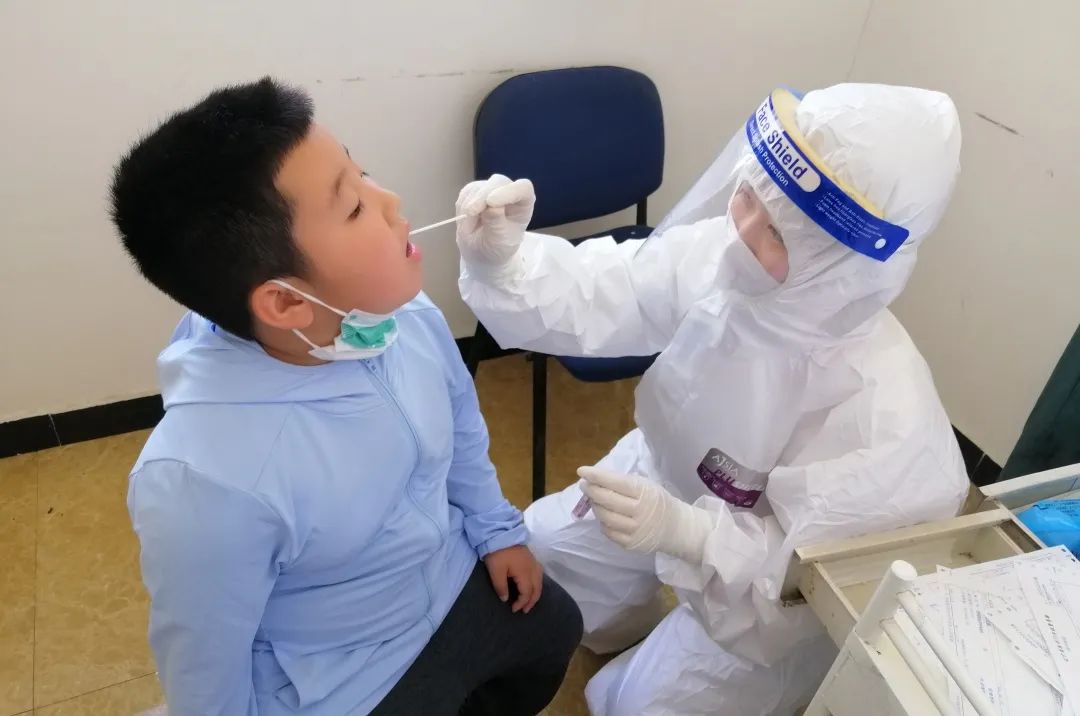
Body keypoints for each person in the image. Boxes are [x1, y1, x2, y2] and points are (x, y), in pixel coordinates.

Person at [454, 83, 969, 715]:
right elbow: (618, 287)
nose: (743, 232)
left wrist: (692, 536)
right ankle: (622, 625)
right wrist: (507, 264)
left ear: (848, 263)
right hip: (660, 476)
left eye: (778, 233)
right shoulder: (732, 256)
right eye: (750, 195)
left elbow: (805, 581)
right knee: (544, 552)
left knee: (637, 706)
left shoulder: (882, 416)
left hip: (752, 578)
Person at [111, 78, 582, 716]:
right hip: (341, 675)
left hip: (448, 577)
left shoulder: (396, 316)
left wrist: (496, 531)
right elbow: (203, 666)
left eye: (362, 173)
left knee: (555, 629)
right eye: (355, 206)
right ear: (285, 303)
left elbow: (461, 428)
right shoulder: (206, 483)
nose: (391, 202)